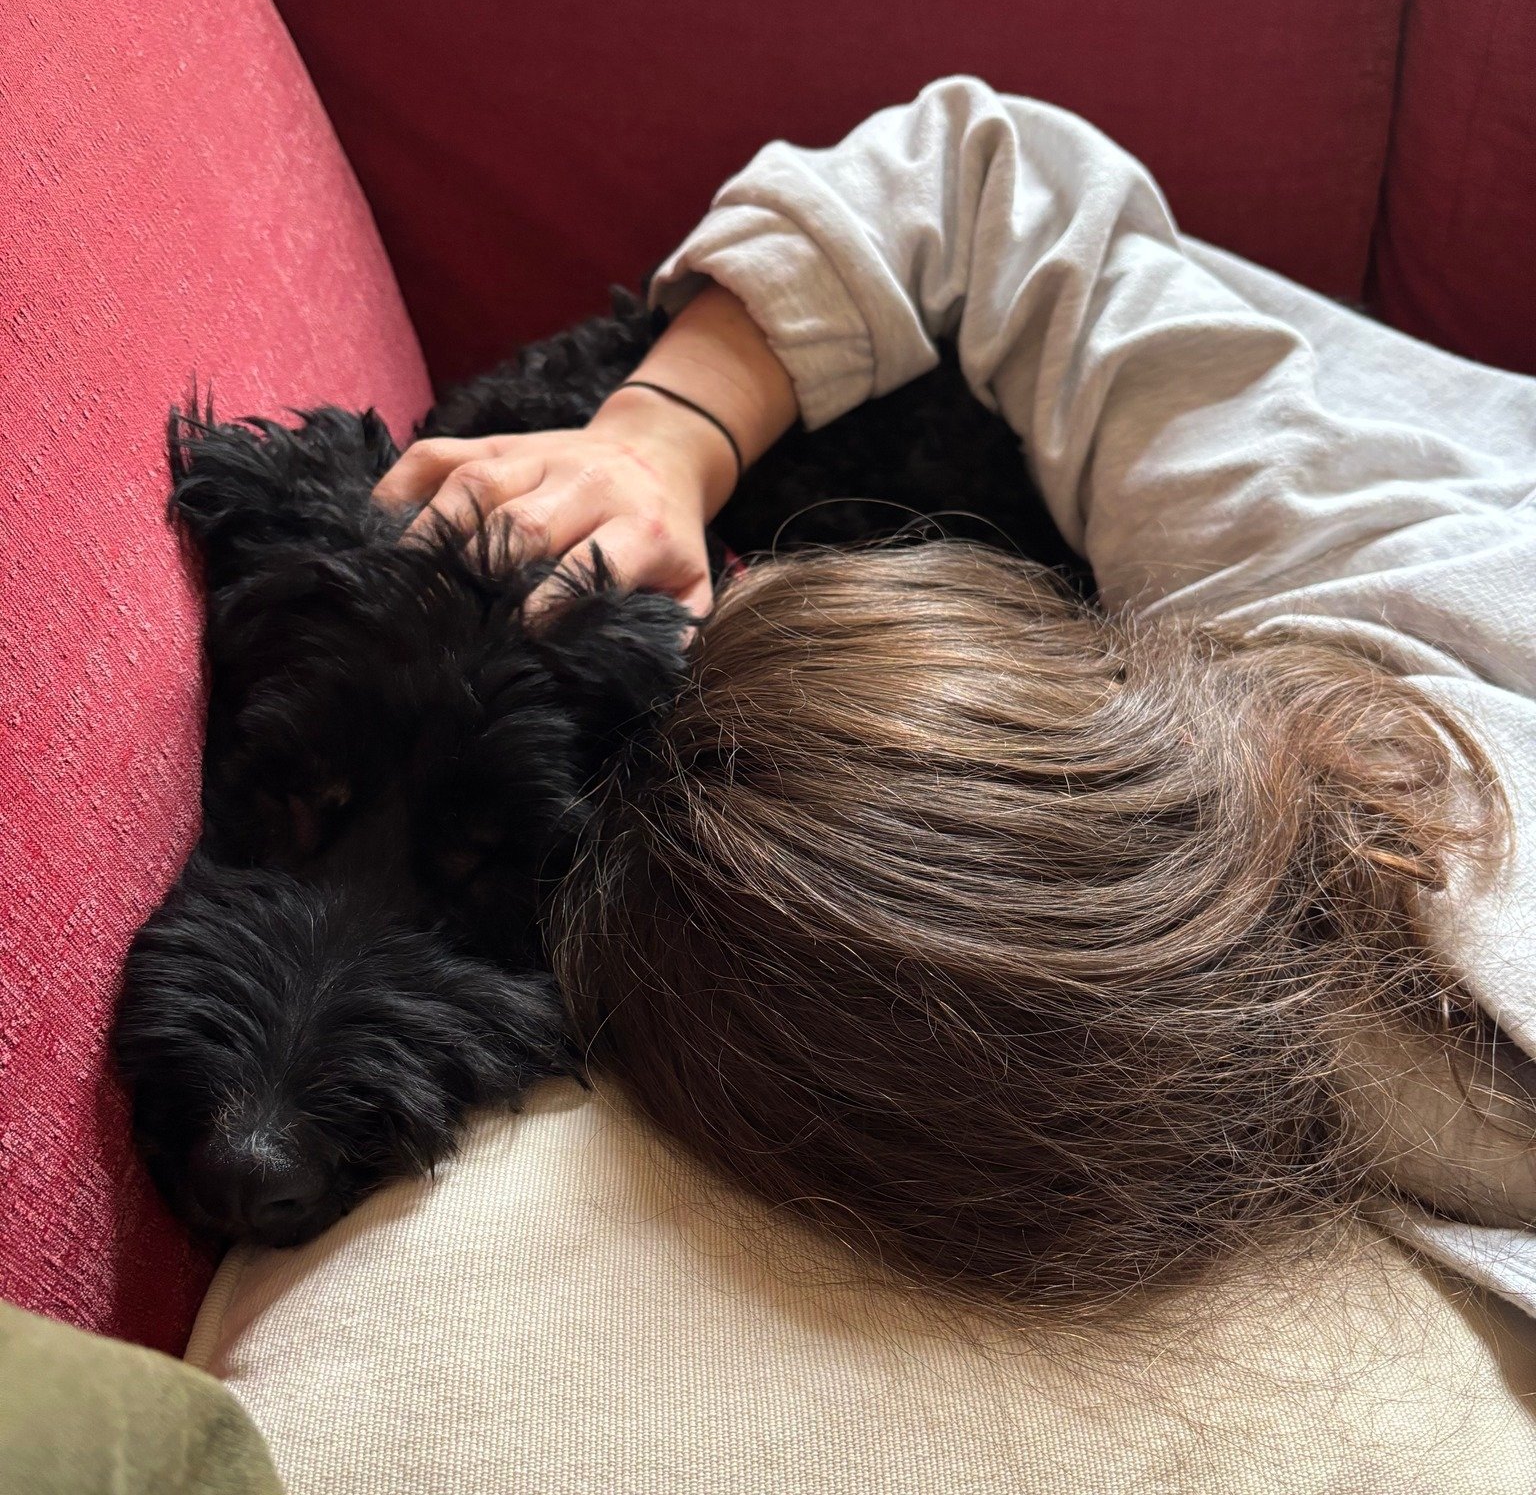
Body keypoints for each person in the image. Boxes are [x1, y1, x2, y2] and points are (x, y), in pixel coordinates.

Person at [375, 77, 1536, 1315]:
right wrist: (664, 434)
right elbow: (991, 182)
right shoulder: (1306, 536)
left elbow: (987, 179)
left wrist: (660, 433)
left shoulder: (1349, 546)